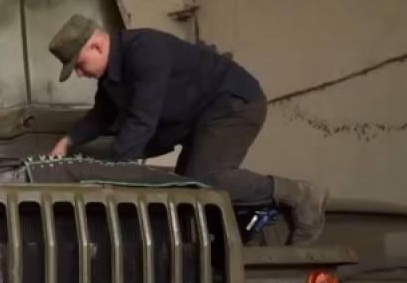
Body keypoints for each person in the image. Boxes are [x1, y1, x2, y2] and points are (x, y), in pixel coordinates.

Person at [47, 14, 327, 245]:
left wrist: (112, 173)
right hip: (200, 119)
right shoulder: (111, 79)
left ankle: (300, 195)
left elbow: (142, 120)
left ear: (97, 46)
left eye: (79, 65)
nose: (80, 74)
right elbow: (101, 116)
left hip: (233, 104)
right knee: (184, 190)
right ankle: (226, 243)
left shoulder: (145, 50)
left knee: (205, 179)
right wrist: (67, 141)